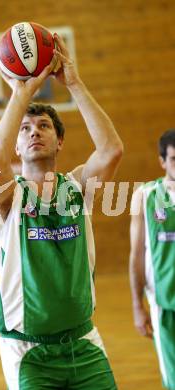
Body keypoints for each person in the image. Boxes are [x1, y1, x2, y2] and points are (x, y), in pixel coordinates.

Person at [0, 32, 123, 390]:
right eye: (26, 128)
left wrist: (73, 82)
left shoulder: (77, 188)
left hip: (83, 342)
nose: (34, 132)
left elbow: (111, 151)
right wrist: (20, 94)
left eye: (44, 126)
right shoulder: (7, 198)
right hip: (29, 351)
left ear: (59, 140)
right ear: (17, 146)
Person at [129, 129, 175, 390]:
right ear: (162, 162)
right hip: (165, 304)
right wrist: (137, 305)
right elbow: (137, 255)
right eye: (174, 159)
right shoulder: (145, 196)